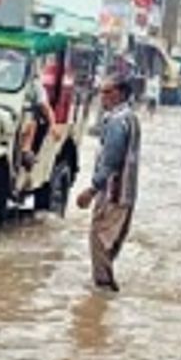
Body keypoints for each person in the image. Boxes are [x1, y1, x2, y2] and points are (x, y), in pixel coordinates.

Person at [76, 74, 142, 292]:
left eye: (107, 92)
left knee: (100, 239)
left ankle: (103, 289)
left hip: (114, 192)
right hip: (127, 192)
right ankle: (104, 287)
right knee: (109, 240)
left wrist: (92, 189)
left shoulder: (117, 121)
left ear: (120, 94)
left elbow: (110, 160)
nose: (102, 97)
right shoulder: (130, 117)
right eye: (101, 91)